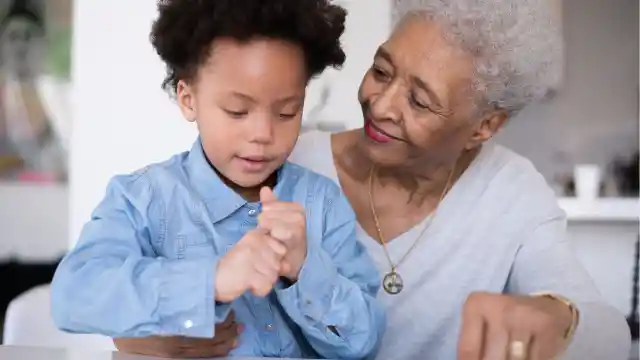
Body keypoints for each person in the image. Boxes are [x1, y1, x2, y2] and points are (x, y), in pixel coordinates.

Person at [111, 0, 632, 359]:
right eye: (382, 71)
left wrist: (553, 316)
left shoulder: (511, 193)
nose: (381, 106)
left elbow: (609, 335)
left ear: (484, 126)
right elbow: (154, 263)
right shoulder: (284, 163)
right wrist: (143, 335)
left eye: (420, 100)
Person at [50, 0, 385, 358]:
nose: (262, 133)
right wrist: (209, 281)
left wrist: (305, 269)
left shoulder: (321, 203)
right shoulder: (142, 198)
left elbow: (363, 342)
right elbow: (73, 295)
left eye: (287, 112)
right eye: (237, 111)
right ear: (188, 99)